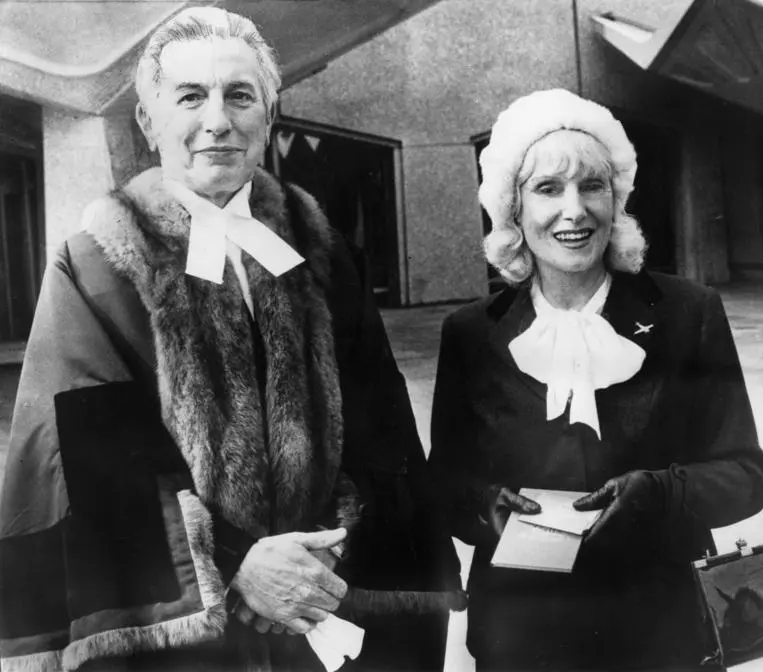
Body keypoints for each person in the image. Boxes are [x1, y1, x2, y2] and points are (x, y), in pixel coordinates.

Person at [0, 8, 461, 672]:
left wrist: (326, 548)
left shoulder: (321, 248)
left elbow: (378, 426)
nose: (217, 119)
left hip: (323, 602)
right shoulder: (93, 267)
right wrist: (238, 571)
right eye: (191, 96)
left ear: (269, 115)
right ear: (148, 120)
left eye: (240, 95)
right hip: (191, 638)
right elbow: (91, 464)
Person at [428, 89, 763, 671]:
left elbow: (745, 475)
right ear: (513, 210)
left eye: (593, 186)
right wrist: (485, 504)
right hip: (522, 638)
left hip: (663, 634)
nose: (575, 211)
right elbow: (443, 484)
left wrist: (662, 492)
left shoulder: (689, 313)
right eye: (547, 189)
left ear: (617, 200)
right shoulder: (471, 334)